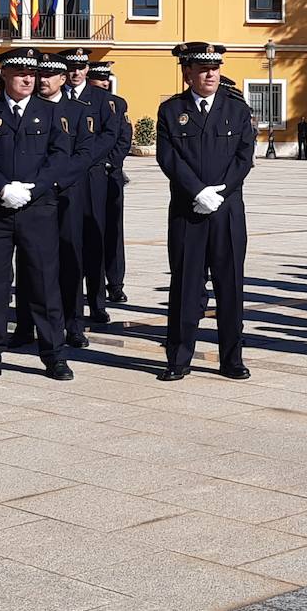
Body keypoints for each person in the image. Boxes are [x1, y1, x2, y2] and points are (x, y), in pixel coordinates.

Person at [0, 47, 74, 383]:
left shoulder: (51, 112)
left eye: (33, 73)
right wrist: (1, 188)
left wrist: (33, 188)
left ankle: (54, 355)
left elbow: (60, 156)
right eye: (21, 73)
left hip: (37, 210)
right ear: (6, 76)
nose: (29, 78)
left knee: (43, 283)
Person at [155, 41, 256, 381]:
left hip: (227, 212)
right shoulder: (171, 110)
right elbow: (168, 158)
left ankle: (232, 359)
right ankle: (179, 358)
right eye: (203, 69)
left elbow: (244, 157)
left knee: (231, 287)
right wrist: (198, 191)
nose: (211, 74)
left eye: (215, 68)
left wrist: (221, 191)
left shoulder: (237, 110)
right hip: (188, 210)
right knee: (185, 287)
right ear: (188, 73)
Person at [29, 52, 107, 348]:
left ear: (62, 78)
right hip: (34, 196)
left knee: (71, 259)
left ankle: (74, 323)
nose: (42, 80)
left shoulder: (77, 111)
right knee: (32, 261)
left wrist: (57, 179)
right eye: (39, 74)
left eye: (49, 75)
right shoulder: (28, 108)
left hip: (67, 193)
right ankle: (28, 323)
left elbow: (84, 153)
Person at [78, 59, 124, 326]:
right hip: (68, 181)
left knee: (103, 236)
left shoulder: (111, 103)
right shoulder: (54, 100)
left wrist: (107, 163)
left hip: (102, 177)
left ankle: (106, 293)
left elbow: (119, 135)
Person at [89, 60, 131, 305]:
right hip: (84, 175)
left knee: (113, 230)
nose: (105, 82)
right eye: (100, 77)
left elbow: (124, 138)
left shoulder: (118, 104)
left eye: (107, 78)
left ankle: (115, 283)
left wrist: (109, 163)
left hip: (110, 174)